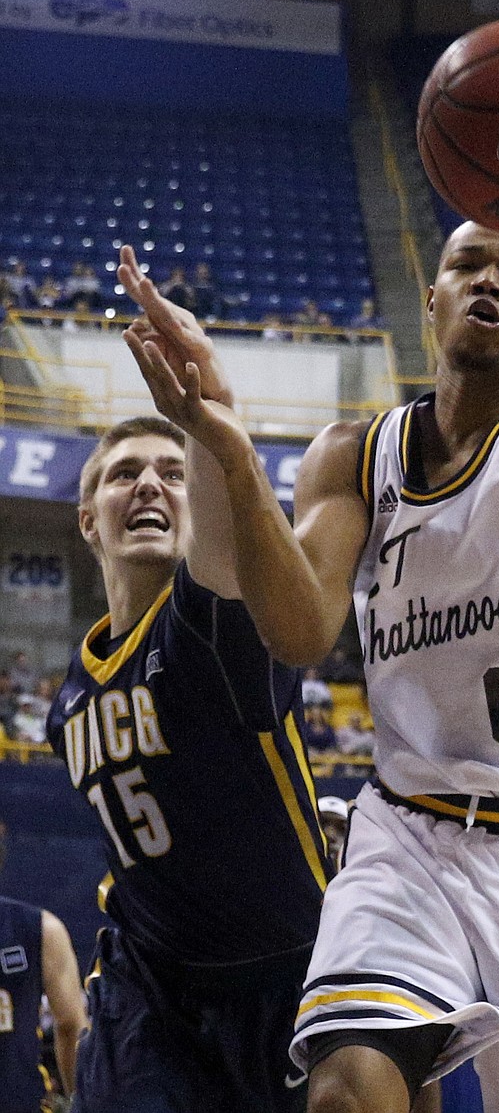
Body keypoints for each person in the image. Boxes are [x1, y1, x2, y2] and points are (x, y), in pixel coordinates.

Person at [122, 21, 499, 1113]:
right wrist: (221, 437)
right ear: (432, 295)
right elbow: (301, 630)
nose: (488, 280)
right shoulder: (354, 459)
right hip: (408, 838)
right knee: (347, 1091)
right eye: (466, 263)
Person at [45, 401, 332, 1109]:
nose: (149, 485)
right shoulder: (68, 703)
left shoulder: (214, 623)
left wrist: (204, 410)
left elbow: (225, 536)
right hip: (150, 983)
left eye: (172, 473)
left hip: (282, 972)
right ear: (89, 520)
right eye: (123, 475)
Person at [0, 895, 87, 1111]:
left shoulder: (40, 928)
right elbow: (71, 1026)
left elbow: (71, 1027)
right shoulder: (41, 927)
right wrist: (80, 1104)